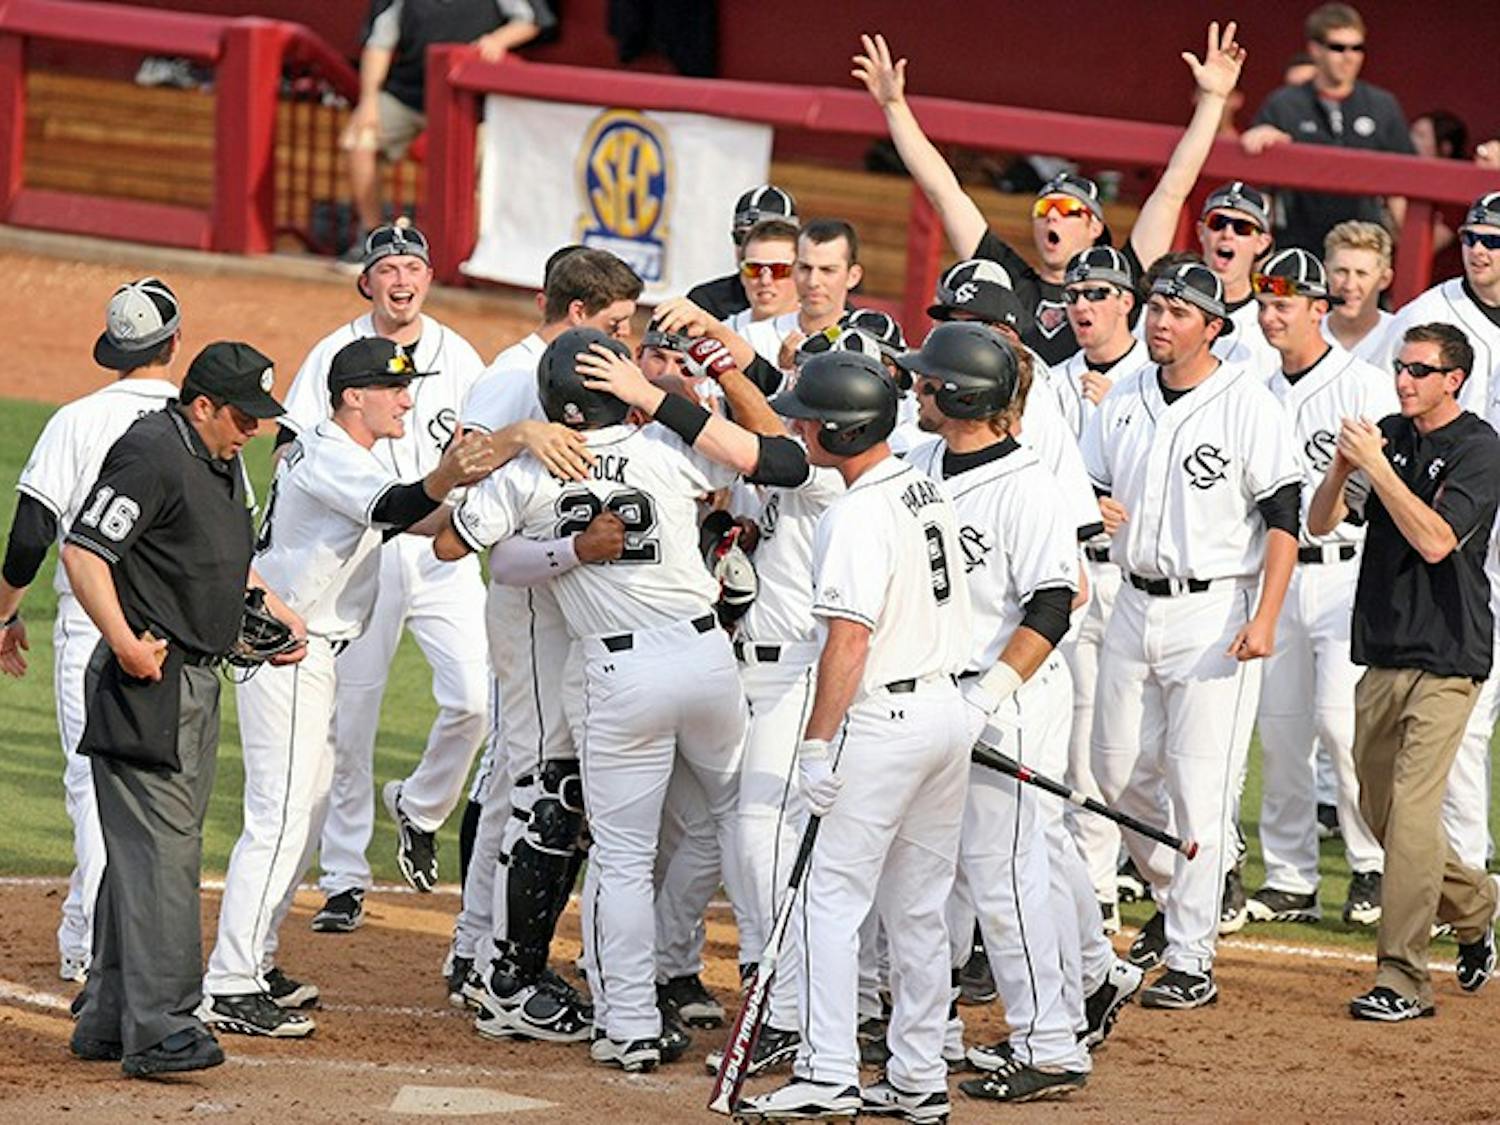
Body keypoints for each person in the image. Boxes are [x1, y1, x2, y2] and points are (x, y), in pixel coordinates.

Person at [437, 327, 810, 1070]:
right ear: (619, 395)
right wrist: (661, 402)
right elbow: (783, 460)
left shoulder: (533, 469)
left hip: (620, 675)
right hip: (707, 659)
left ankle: (630, 1021)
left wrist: (518, 448)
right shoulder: (667, 448)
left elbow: (456, 542)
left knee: (624, 854)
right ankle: (786, 1003)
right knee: (742, 826)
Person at [199, 338, 528, 1038]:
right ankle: (228, 983)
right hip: (288, 651)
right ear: (355, 396)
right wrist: (461, 469)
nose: (409, 399)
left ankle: (253, 960)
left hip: (314, 651)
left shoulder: (349, 453)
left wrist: (483, 503)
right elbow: (408, 499)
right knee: (280, 814)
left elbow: (416, 515)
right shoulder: (329, 454)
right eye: (395, 389)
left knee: (306, 811)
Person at [732, 347, 970, 1124]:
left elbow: (848, 641)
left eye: (806, 418)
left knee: (827, 902)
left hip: (883, 722)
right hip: (943, 715)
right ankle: (917, 1075)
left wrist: (814, 742)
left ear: (840, 427)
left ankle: (828, 1071)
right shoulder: (920, 489)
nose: (795, 429)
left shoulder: (856, 513)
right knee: (918, 909)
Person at [899, 323, 1124, 1104]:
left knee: (1009, 874)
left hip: (1011, 696)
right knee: (956, 873)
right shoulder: (922, 461)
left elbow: (1056, 603)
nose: (916, 388)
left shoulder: (1027, 487)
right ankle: (972, 1029)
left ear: (958, 396)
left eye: (927, 381)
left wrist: (983, 696)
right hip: (941, 691)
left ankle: (1051, 1044)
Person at [62, 342, 300, 1077]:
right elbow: (83, 551)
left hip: (193, 681)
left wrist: (271, 613)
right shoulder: (152, 454)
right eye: (241, 415)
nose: (252, 429)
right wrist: (127, 643)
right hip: (150, 682)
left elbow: (219, 560)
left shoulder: (217, 460)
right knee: (166, 857)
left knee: (147, 855)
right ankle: (163, 1027)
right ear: (201, 404)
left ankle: (107, 1014)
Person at [1081, 262, 1300, 1009]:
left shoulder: (1249, 402)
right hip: (1130, 604)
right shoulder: (1123, 398)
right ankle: (1186, 894)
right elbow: (1089, 486)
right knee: (1113, 776)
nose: (1161, 320)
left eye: (1180, 310)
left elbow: (1283, 516)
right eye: (1157, 306)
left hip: (1215, 612)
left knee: (1197, 789)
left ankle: (1191, 955)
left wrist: (1267, 615)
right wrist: (1094, 506)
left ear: (1214, 325)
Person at [455, 248, 643, 1043]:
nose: (625, 340)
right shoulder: (515, 377)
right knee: (525, 774)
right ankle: (484, 955)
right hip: (531, 602)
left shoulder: (566, 367)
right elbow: (458, 478)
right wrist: (519, 434)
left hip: (566, 602)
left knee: (527, 771)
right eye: (615, 325)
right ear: (576, 316)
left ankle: (482, 946)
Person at [281, 222, 491, 928]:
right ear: (366, 281)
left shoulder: (460, 357)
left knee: (474, 702)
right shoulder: (333, 355)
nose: (401, 279)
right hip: (363, 550)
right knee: (354, 713)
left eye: (413, 266)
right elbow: (294, 445)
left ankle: (420, 805)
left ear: (428, 279)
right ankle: (344, 876)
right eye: (388, 268)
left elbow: (486, 447)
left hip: (442, 549)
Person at [1307, 322, 1500, 1021]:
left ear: (1454, 377)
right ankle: (1478, 904)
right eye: (1400, 366)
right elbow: (1323, 522)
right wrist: (1340, 467)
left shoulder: (1479, 449)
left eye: (1420, 369)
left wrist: (1380, 468)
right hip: (1381, 647)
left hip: (1450, 653)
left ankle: (1403, 977)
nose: (1404, 380)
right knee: (1383, 813)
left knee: (1415, 811)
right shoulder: (1390, 432)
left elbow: (1436, 538)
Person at [853, 22, 1245, 366]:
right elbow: (944, 193)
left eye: (1066, 209)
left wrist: (1212, 100)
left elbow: (1174, 187)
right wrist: (894, 107)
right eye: (1043, 209)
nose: (1051, 217)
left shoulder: (1121, 276)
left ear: (1094, 226)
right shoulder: (1011, 279)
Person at [0, 278, 182, 986]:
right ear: (174, 344)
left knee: (93, 782)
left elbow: (30, 536)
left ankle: (94, 946)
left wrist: (6, 612)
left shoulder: (74, 420)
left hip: (87, 621)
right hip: (174, 631)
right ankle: (91, 927)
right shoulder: (198, 423)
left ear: (115, 350)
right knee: (164, 790)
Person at [1245, 248, 1392, 930]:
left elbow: (1384, 489)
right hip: (1277, 571)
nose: (1271, 315)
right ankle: (1290, 875)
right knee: (1279, 733)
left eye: (1285, 304)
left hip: (1346, 568)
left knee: (1341, 724)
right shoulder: (1250, 385)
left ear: (1317, 308)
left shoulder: (1364, 383)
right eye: (1264, 303)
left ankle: (1370, 864)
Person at [1389, 194, 1500, 877]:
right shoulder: (1429, 313)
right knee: (1464, 712)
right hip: (1461, 533)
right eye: (1472, 236)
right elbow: (1387, 406)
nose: (1481, 249)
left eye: (1495, 239)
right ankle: (1466, 867)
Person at [1053, 247, 1151, 932]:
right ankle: (1095, 888)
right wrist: (1081, 500)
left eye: (1097, 292)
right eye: (1074, 292)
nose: (1082, 305)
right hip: (1075, 571)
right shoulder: (1046, 378)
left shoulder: (1156, 380)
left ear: (1127, 302)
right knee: (1081, 743)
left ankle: (1191, 875)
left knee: (1140, 750)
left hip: (1142, 578)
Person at [340, 0, 557, 259]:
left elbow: (531, 20)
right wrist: (369, 101)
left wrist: (498, 40)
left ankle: (472, 253)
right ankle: (373, 238)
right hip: (409, 92)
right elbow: (379, 44)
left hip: (471, 102)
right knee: (358, 140)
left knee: (480, 169)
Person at [1241, 3, 1414, 252]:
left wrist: (1407, 250)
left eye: (1357, 48)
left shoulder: (1383, 105)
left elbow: (1404, 184)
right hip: (1296, 247)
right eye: (1338, 47)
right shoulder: (1284, 103)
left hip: (1363, 249)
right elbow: (1256, 183)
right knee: (1281, 291)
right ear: (1315, 50)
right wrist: (1262, 141)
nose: (1349, 56)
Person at [685, 184, 799, 320]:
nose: (747, 246)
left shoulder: (817, 303)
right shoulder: (706, 301)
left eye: (767, 237)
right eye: (741, 237)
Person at [722, 219, 803, 365]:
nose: (765, 280)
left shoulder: (815, 337)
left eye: (779, 270)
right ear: (742, 275)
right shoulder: (721, 336)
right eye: (753, 269)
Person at [1322, 220, 1399, 364]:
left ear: (1384, 279)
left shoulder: (1398, 336)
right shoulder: (1306, 333)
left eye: (1361, 274)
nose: (1349, 285)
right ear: (1326, 273)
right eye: (1341, 272)